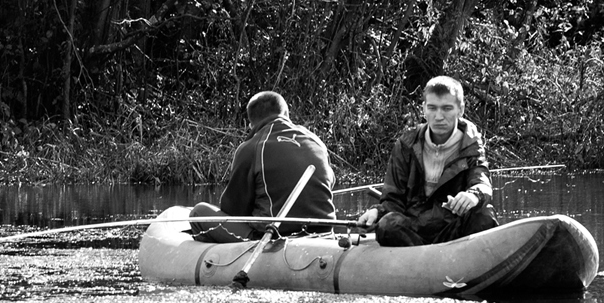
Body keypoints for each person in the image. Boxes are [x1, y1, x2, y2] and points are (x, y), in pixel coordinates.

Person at [357, 75, 499, 246]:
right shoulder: (405, 145)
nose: (438, 116)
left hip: (453, 230)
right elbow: (392, 200)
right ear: (424, 109)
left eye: (447, 108)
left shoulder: (472, 145)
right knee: (388, 225)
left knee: (483, 215)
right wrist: (377, 212)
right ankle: (423, 264)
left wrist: (473, 195)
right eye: (432, 108)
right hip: (414, 230)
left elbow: (482, 183)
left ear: (460, 109)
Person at [189, 91, 336, 243]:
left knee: (199, 212)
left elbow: (233, 210)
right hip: (325, 233)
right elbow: (328, 185)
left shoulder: (251, 148)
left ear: (251, 123)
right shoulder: (317, 142)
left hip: (272, 237)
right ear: (286, 114)